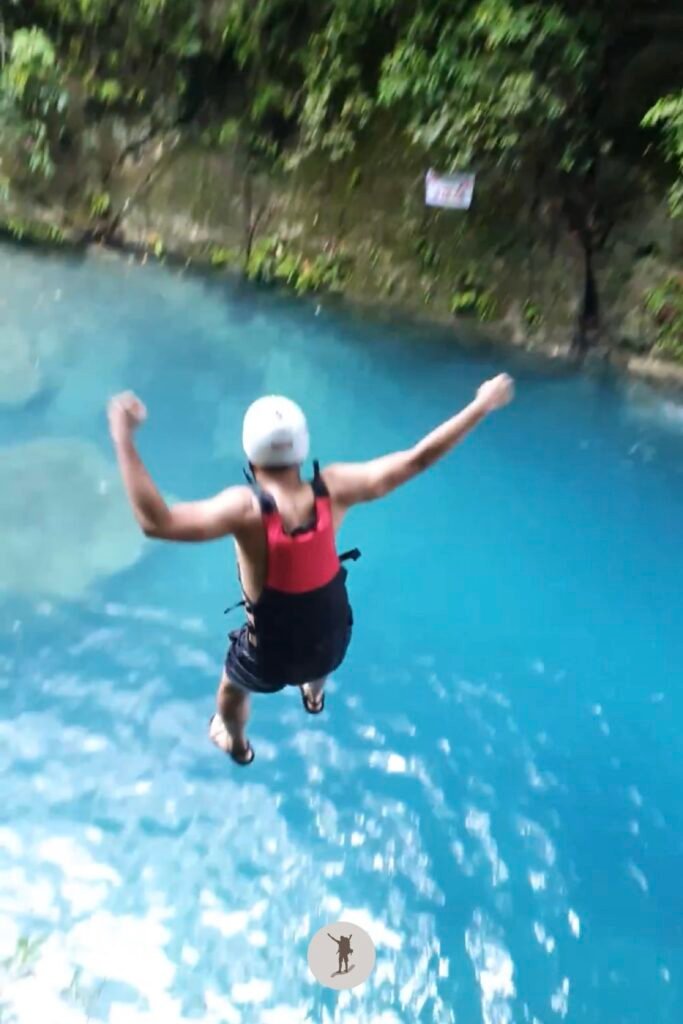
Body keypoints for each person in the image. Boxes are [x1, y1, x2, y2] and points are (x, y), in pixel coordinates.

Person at [107, 373, 514, 766]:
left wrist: (123, 437)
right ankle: (314, 696)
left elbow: (157, 522)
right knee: (319, 650)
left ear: (250, 456)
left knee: (231, 693)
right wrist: (481, 405)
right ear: (302, 451)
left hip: (272, 651)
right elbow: (417, 459)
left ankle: (235, 742)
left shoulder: (246, 510)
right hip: (332, 638)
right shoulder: (335, 488)